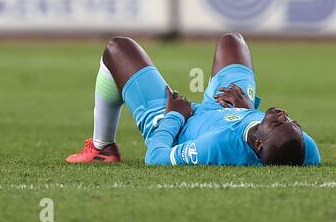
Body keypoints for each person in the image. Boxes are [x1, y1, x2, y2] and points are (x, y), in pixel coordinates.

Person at [64, 33, 321, 166]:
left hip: (182, 122)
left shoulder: (217, 145)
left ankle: (102, 147)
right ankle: (248, 114)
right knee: (232, 42)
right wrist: (249, 113)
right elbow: (278, 136)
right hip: (227, 108)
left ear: (255, 143)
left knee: (118, 48)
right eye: (292, 122)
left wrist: (175, 114)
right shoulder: (305, 149)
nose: (281, 113)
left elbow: (157, 158)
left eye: (277, 123)